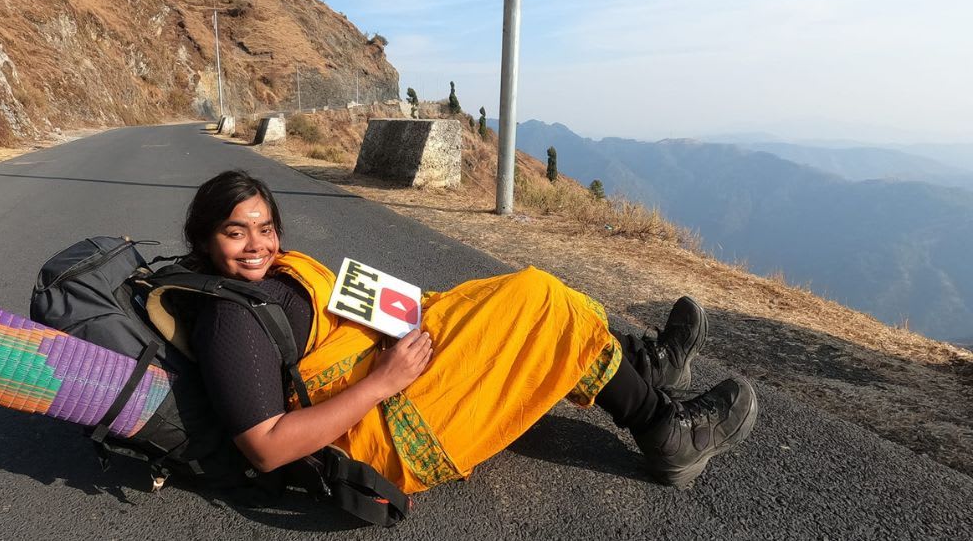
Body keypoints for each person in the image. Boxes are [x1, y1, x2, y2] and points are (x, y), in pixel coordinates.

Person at [183, 170, 758, 493]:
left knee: (521, 295)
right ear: (204, 239)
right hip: (381, 420)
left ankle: (643, 365)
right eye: (236, 233)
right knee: (541, 303)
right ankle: (664, 431)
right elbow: (267, 448)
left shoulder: (264, 277)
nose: (257, 245)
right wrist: (383, 382)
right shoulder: (229, 319)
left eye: (265, 228)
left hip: (384, 354)